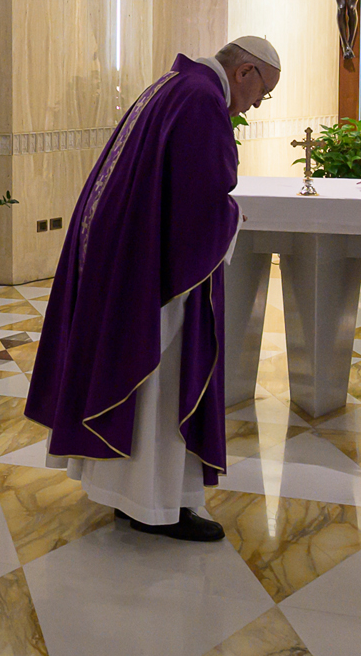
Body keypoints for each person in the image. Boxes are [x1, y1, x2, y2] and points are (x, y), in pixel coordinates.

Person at [24, 37, 280, 541]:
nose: (255, 105)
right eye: (262, 93)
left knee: (139, 380)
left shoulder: (173, 84)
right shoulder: (202, 99)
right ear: (245, 71)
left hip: (132, 256)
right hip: (156, 272)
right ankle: (157, 505)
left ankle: (127, 494)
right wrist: (231, 219)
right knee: (162, 380)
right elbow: (199, 201)